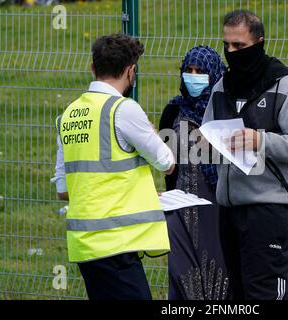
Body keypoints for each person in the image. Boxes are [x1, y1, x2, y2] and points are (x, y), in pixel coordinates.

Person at [202, 10, 288, 300]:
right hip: (229, 210)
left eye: (239, 46)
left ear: (259, 41)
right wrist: (202, 144)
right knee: (235, 298)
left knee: (264, 295)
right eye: (226, 45)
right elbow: (208, 134)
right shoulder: (222, 87)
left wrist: (261, 140)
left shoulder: (285, 84)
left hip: (270, 212)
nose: (231, 52)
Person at [52, 33, 175, 300]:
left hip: (85, 246)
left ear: (93, 68)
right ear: (131, 71)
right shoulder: (123, 110)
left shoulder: (68, 115)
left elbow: (64, 188)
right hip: (116, 244)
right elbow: (166, 162)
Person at [158, 46, 230, 300]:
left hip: (217, 207)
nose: (193, 76)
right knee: (182, 276)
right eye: (188, 70)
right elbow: (168, 165)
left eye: (200, 71)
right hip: (179, 209)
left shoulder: (225, 112)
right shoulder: (173, 112)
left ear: (214, 75)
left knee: (217, 279)